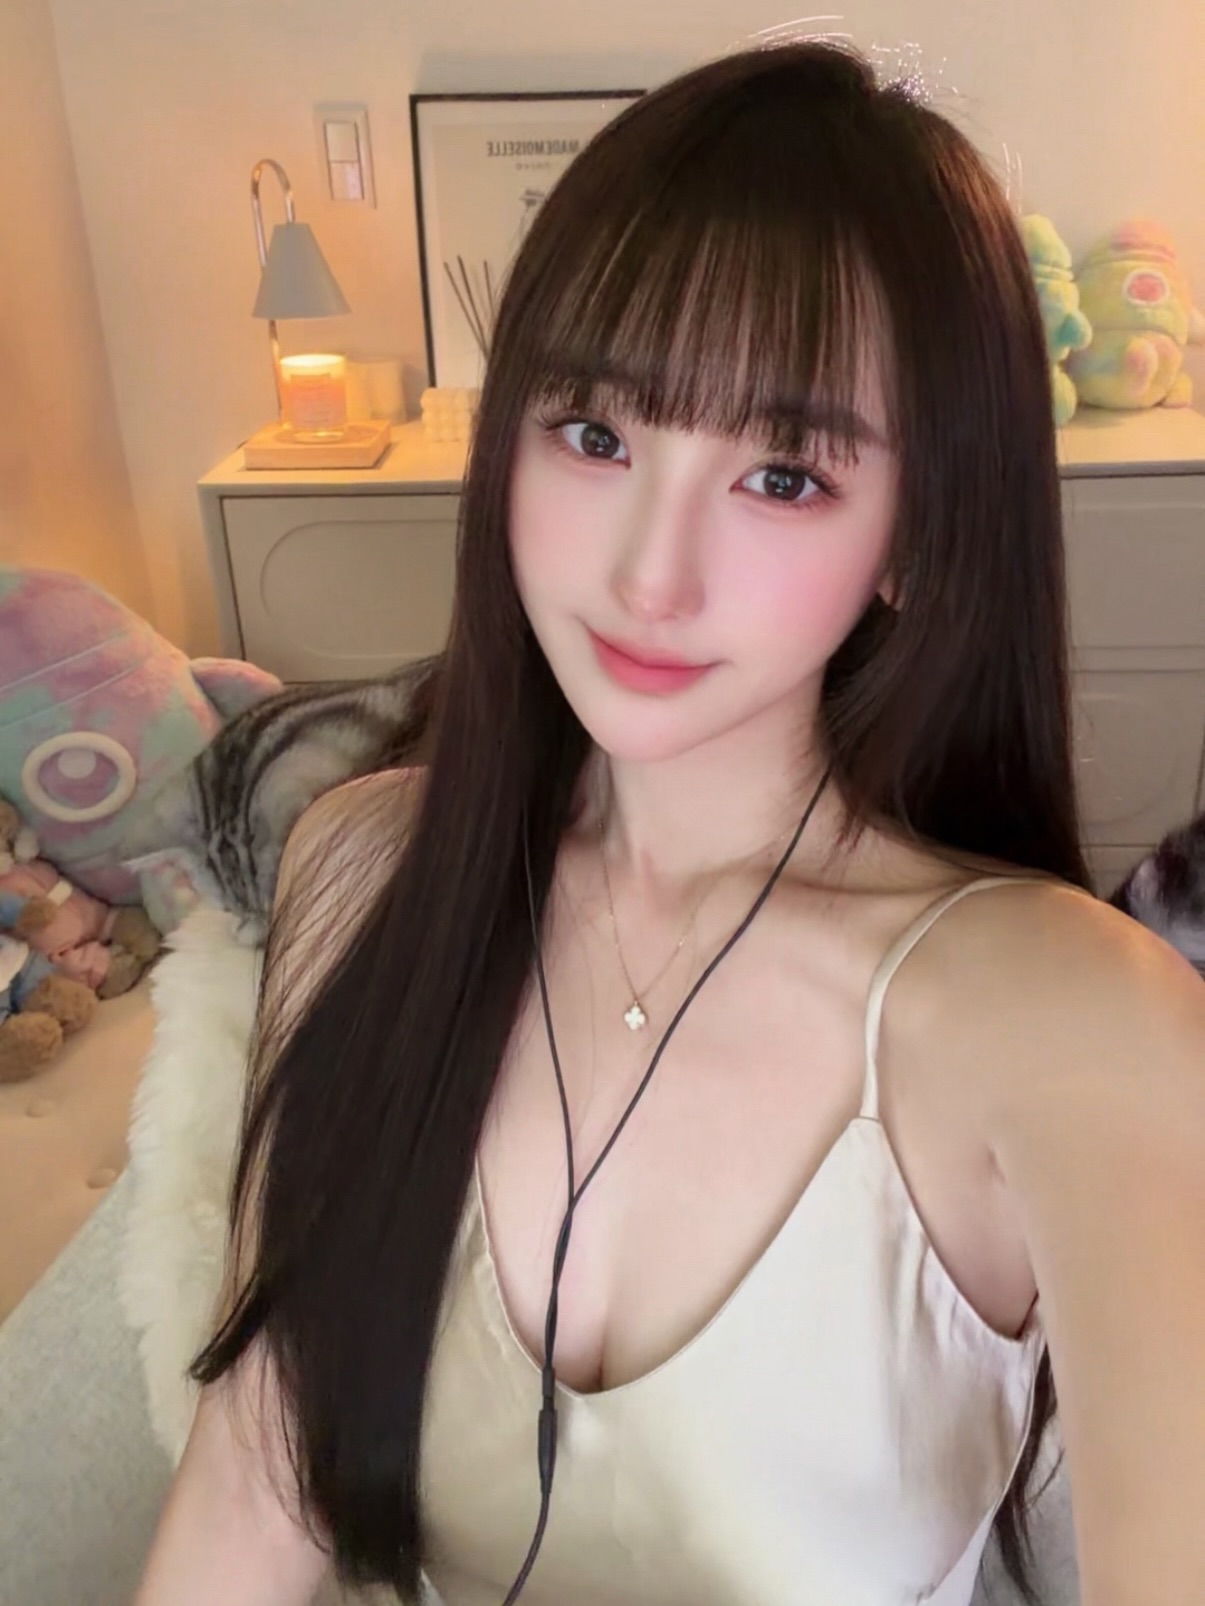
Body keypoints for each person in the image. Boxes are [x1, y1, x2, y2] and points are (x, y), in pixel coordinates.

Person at [134, 38, 1205, 1606]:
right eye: (594, 436)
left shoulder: (1074, 1017)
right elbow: (256, 1481)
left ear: (913, 532)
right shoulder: (365, 869)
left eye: (781, 475)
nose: (649, 573)